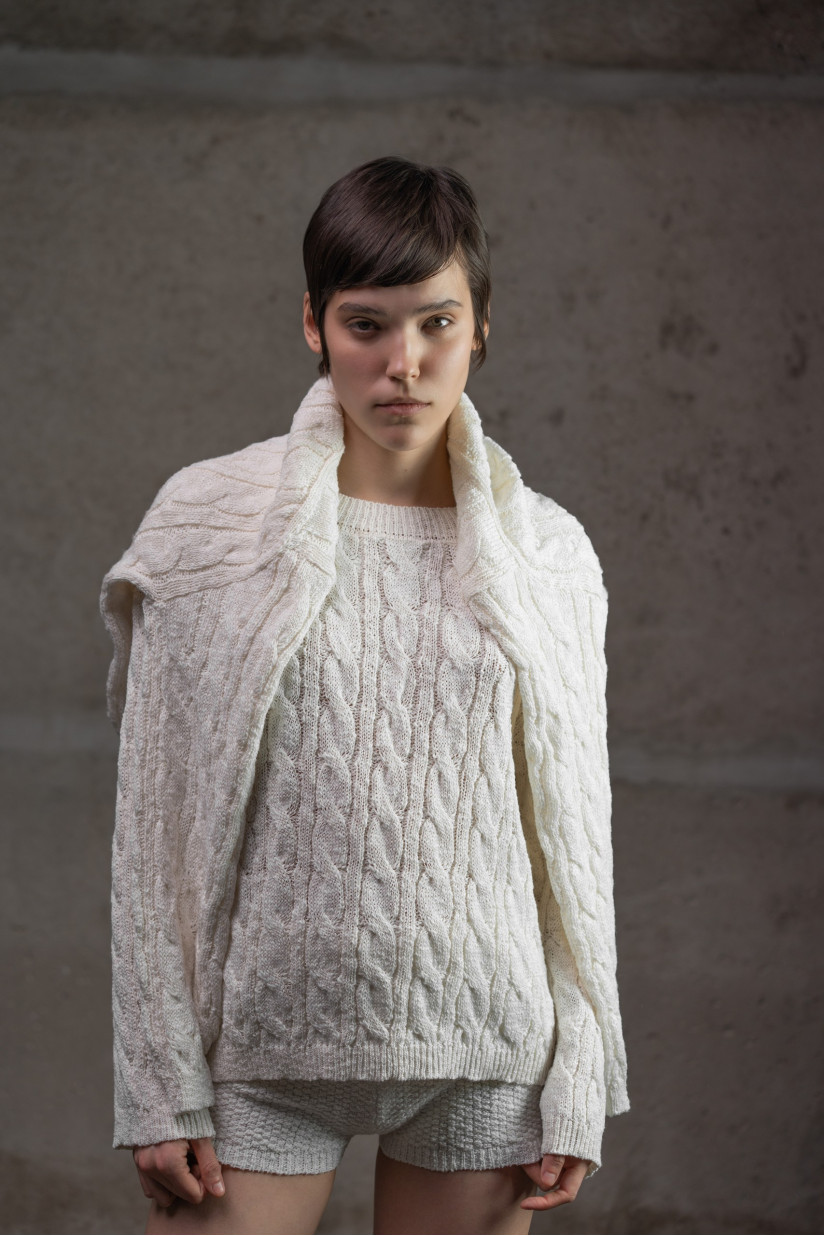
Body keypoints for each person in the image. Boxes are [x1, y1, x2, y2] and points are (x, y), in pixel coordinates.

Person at [100, 155, 629, 1236]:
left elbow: (574, 840)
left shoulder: (549, 554)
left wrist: (583, 1064)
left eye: (438, 323)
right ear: (313, 323)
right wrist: (156, 1084)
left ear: (481, 326)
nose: (405, 364)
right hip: (261, 1050)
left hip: (487, 1050)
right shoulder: (208, 526)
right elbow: (152, 826)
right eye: (366, 325)